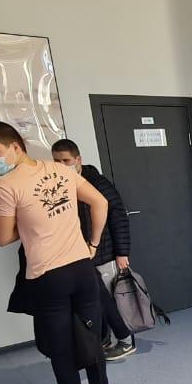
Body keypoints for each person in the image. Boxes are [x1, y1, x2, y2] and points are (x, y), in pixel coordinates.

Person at [0, 121, 117, 384]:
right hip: (81, 268)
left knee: (60, 344)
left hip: (48, 276)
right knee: (90, 333)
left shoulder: (6, 185)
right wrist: (93, 244)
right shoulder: (61, 170)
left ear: (15, 146)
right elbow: (100, 201)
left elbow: (2, 237)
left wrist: (26, 222)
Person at [50, 139, 136, 361]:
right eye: (56, 161)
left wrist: (122, 253)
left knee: (111, 300)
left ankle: (126, 341)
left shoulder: (97, 183)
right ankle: (104, 339)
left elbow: (119, 217)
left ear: (78, 159)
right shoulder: (59, 185)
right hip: (78, 255)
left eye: (66, 160)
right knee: (93, 302)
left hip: (104, 252)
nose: (61, 165)